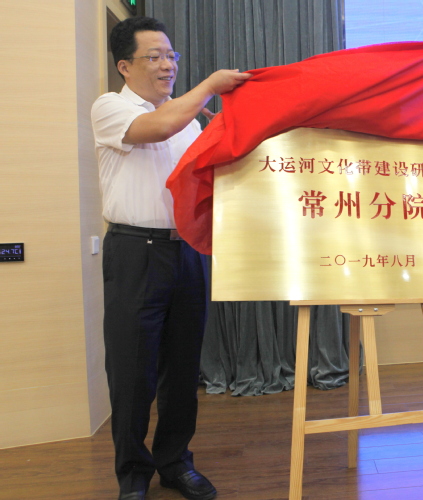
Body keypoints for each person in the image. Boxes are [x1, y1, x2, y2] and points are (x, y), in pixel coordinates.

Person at [91, 16, 250, 500]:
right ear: (125, 66)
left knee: (182, 369)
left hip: (186, 251)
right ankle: (133, 474)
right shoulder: (112, 107)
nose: (168, 65)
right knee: (132, 371)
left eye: (171, 56)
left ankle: (176, 462)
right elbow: (157, 127)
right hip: (134, 252)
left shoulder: (190, 119)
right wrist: (211, 87)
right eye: (155, 57)